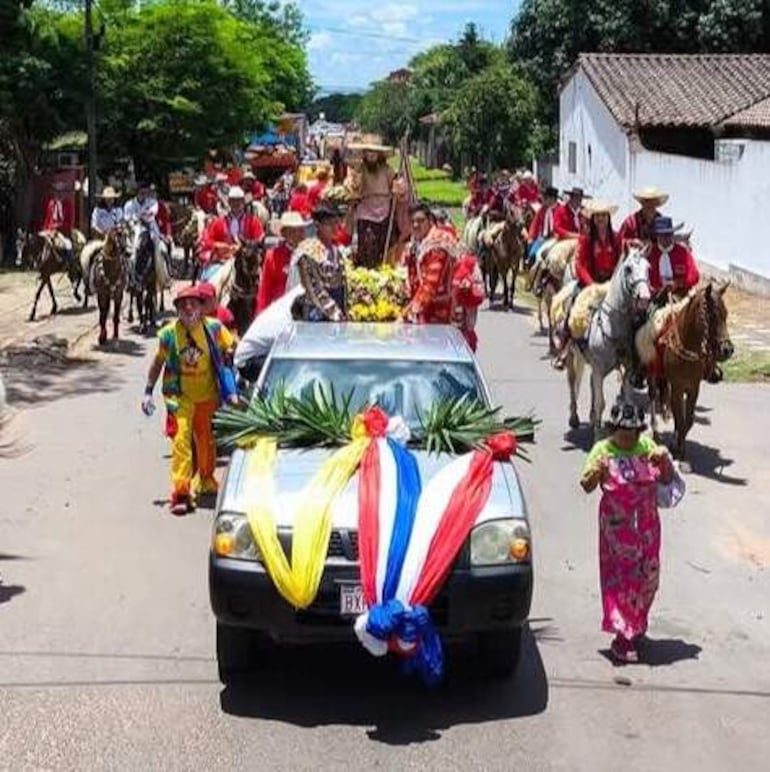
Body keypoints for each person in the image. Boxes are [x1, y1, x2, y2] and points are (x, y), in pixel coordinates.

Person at [580, 397, 682, 664]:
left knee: (649, 574)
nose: (626, 438)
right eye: (621, 432)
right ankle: (622, 637)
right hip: (616, 527)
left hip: (647, 524)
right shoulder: (602, 450)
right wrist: (596, 473)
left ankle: (636, 623)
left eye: (631, 433)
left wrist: (664, 462)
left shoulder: (647, 447)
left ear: (639, 432)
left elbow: (668, 481)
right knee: (623, 578)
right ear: (612, 430)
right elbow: (586, 485)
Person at [141, 285, 237, 515]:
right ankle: (181, 491)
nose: (188, 308)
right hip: (179, 396)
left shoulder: (213, 328)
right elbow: (157, 363)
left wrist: (233, 353)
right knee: (181, 441)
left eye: (193, 304)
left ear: (202, 309)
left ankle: (205, 479)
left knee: (206, 441)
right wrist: (148, 390)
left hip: (207, 396)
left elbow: (232, 345)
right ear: (177, 311)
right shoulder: (168, 335)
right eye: (183, 305)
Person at [553, 200, 622, 369]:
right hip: (589, 282)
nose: (600, 219)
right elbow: (580, 265)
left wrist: (614, 280)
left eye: (603, 216)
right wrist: (591, 284)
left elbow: (621, 259)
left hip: (610, 282)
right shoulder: (586, 239)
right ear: (593, 219)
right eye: (597, 216)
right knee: (573, 305)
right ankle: (565, 346)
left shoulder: (616, 237)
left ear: (608, 218)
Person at [346, 142, 404, 268]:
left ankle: (386, 270)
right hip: (366, 211)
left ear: (379, 155)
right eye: (369, 152)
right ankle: (367, 270)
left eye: (374, 153)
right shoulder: (359, 170)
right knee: (367, 245)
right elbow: (352, 188)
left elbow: (397, 185)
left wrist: (398, 187)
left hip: (384, 210)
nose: (371, 156)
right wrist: (354, 185)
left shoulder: (387, 169)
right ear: (364, 154)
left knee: (389, 244)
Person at [403, 202, 457, 326]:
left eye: (420, 220)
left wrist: (408, 312)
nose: (416, 225)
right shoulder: (415, 243)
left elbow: (431, 285)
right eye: (412, 222)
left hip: (440, 311)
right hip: (424, 308)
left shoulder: (438, 244)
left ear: (430, 221)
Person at [235, 286, 305, 381]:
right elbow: (289, 355)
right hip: (248, 362)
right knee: (292, 367)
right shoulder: (285, 328)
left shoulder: (295, 295)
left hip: (261, 351)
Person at [295, 205, 347, 322]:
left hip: (339, 309)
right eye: (330, 224)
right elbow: (313, 287)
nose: (335, 228)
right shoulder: (308, 249)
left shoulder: (338, 250)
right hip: (318, 312)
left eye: (336, 223)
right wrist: (334, 313)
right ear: (318, 225)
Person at [255, 210, 309, 314]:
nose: (299, 234)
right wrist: (261, 313)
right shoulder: (273, 256)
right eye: (294, 230)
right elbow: (265, 288)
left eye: (300, 230)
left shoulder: (309, 254)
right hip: (280, 309)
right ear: (285, 233)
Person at [200, 186, 264, 266]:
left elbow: (259, 241)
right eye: (233, 201)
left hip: (246, 262)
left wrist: (245, 247)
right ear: (229, 202)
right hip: (222, 261)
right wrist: (222, 247)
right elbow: (208, 241)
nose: (236, 204)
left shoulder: (253, 222)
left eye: (239, 201)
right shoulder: (218, 222)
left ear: (243, 202)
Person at [647, 216, 700, 298]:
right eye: (662, 235)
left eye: (668, 235)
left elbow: (694, 276)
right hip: (655, 298)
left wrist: (678, 283)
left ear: (672, 234)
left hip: (680, 296)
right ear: (657, 236)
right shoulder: (650, 254)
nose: (665, 238)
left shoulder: (683, 252)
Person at [41, 181, 75, 268]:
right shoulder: (52, 203)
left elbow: (68, 222)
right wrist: (46, 230)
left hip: (63, 232)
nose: (58, 194)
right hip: (50, 231)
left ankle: (70, 265)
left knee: (68, 245)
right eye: (56, 191)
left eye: (60, 191)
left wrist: (57, 227)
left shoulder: (68, 204)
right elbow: (48, 219)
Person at [527, 185, 559, 265]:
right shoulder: (542, 210)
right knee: (532, 253)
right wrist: (531, 237)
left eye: (546, 198)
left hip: (556, 237)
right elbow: (535, 224)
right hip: (543, 237)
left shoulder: (560, 210)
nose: (543, 200)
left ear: (552, 199)